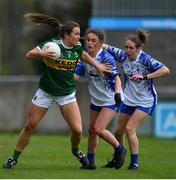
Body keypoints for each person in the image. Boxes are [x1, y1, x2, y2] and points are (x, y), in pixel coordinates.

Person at [2, 13, 112, 169]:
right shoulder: (51, 45)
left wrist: (98, 66)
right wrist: (42, 54)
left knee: (77, 131)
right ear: (67, 35)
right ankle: (14, 158)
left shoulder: (77, 47)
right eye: (76, 34)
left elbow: (84, 56)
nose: (79, 37)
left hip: (66, 94)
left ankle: (75, 150)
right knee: (29, 126)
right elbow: (29, 54)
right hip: (45, 92)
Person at [102, 30, 170, 170]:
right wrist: (90, 42)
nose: (127, 50)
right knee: (118, 131)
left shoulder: (146, 59)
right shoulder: (123, 55)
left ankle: (134, 164)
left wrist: (145, 76)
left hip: (146, 101)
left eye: (131, 48)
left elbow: (165, 70)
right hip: (129, 99)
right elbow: (105, 46)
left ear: (138, 49)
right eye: (126, 47)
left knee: (129, 128)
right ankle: (118, 158)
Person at [74, 29, 126, 170]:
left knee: (98, 128)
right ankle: (91, 162)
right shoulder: (83, 57)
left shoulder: (105, 57)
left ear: (100, 44)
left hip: (110, 98)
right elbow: (75, 77)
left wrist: (117, 94)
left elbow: (116, 78)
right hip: (96, 99)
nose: (89, 43)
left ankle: (120, 149)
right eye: (88, 40)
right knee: (91, 130)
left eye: (93, 41)